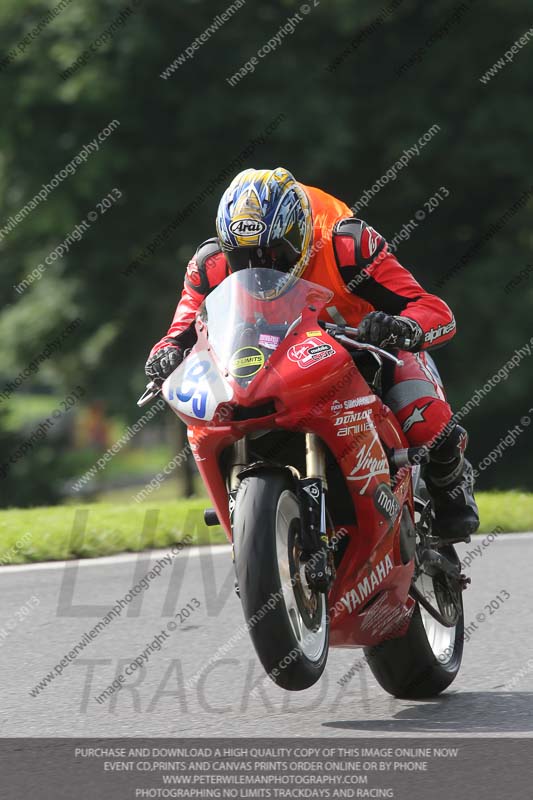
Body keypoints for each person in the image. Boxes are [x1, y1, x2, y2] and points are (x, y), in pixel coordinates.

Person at [145, 167, 479, 542]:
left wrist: (402, 327)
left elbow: (433, 310)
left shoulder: (348, 244)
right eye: (244, 257)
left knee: (427, 424)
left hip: (369, 352)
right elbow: (181, 328)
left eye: (274, 253)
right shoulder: (210, 264)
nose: (260, 266)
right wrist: (167, 352)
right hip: (276, 365)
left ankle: (452, 484)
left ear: (300, 235)